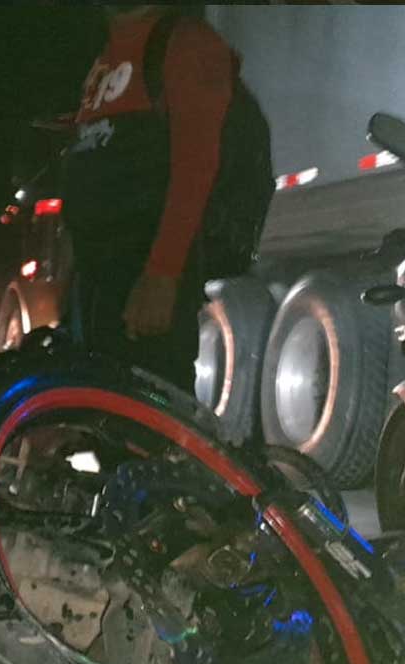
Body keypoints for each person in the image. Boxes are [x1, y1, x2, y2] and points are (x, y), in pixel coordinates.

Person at [61, 5, 270, 393]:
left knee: (151, 419)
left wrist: (162, 275)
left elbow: (196, 166)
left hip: (142, 269)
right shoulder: (106, 57)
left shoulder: (185, 42)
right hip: (98, 275)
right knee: (102, 416)